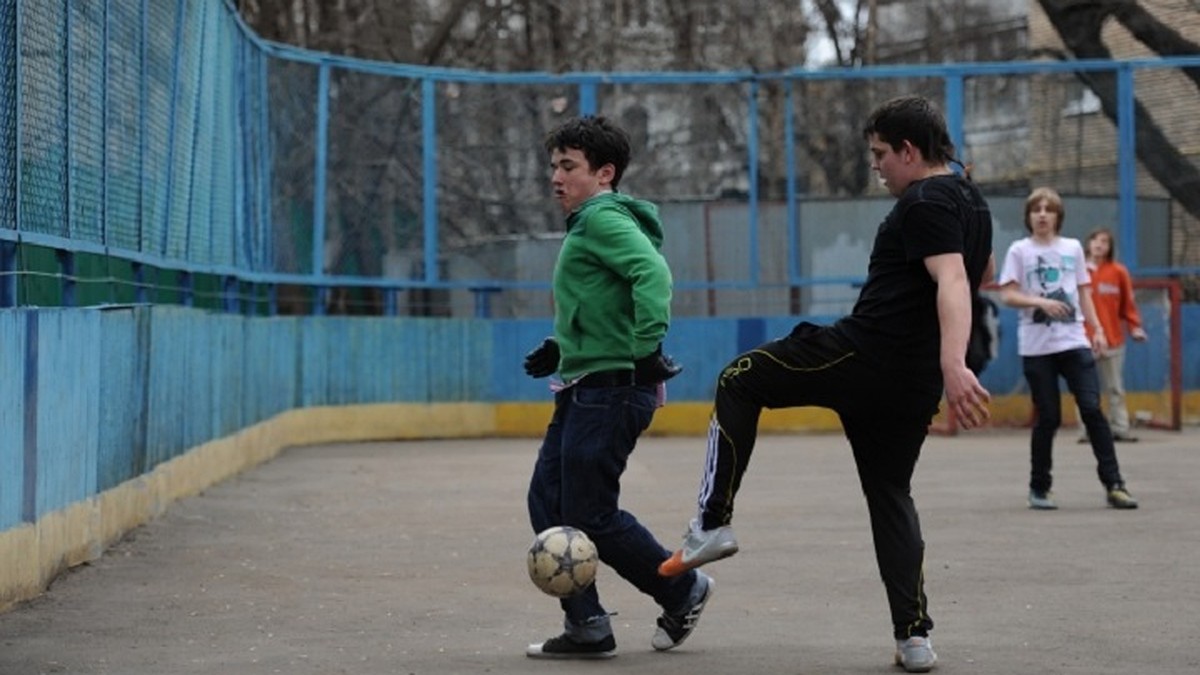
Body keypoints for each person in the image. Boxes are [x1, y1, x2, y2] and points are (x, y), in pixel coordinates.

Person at [657, 95, 993, 673]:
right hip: (909, 386)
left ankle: (711, 523)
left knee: (738, 380)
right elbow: (981, 270)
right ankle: (914, 637)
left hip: (865, 355)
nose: (877, 166)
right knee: (890, 496)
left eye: (882, 154)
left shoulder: (925, 198)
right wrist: (941, 365)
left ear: (910, 151)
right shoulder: (971, 200)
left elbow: (956, 279)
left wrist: (956, 362)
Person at [522, 115, 713, 660]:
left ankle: (682, 588)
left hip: (610, 390)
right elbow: (600, 303)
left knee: (589, 514)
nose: (556, 178)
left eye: (569, 167)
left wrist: (646, 347)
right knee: (549, 500)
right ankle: (587, 625)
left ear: (604, 173)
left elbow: (652, 275)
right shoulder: (589, 223)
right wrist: (564, 346)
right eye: (554, 166)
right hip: (587, 382)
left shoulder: (603, 218)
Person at [995, 188, 1139, 511]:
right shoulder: (1020, 251)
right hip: (1036, 347)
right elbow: (1007, 294)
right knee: (1048, 416)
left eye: (1049, 209)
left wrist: (1098, 329)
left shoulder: (1072, 248)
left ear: (1058, 216)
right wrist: (1040, 301)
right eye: (1037, 209)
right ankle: (1039, 487)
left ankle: (1115, 484)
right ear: (1029, 216)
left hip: (1074, 341)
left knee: (1091, 408)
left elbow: (1085, 294)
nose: (1043, 214)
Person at [1077, 227, 1146, 443]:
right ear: (1088, 244)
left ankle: (1120, 428)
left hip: (1113, 340)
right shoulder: (1077, 271)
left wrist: (1135, 326)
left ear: (1110, 247)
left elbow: (1128, 304)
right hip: (1083, 340)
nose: (1099, 244)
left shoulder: (1118, 272)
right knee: (1086, 389)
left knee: (1115, 388)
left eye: (1104, 241)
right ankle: (1087, 431)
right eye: (1095, 240)